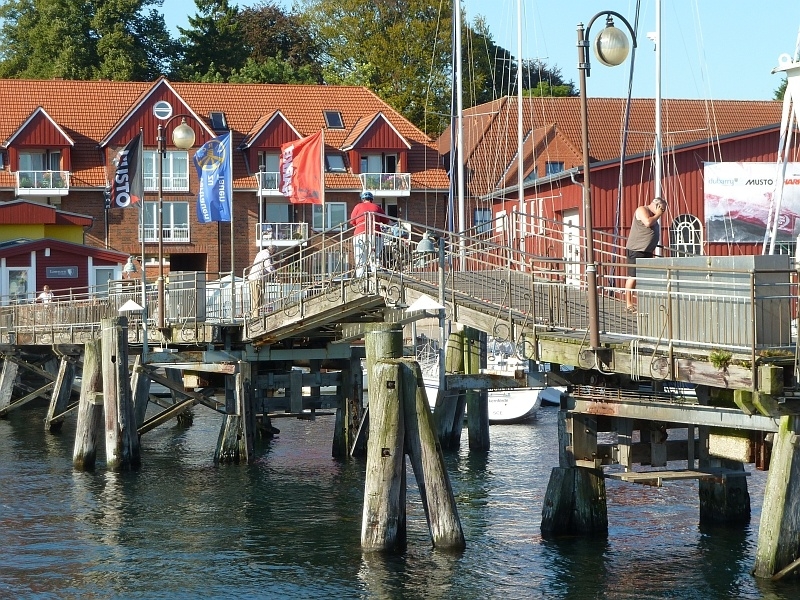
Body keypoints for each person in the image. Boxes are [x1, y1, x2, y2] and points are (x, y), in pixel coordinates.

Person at [625, 197, 666, 312]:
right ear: (657, 206)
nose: (662, 213)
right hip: (636, 249)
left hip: (647, 250)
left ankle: (642, 302)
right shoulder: (642, 209)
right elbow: (648, 222)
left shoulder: (654, 215)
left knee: (643, 278)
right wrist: (658, 214)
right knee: (633, 277)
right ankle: (628, 304)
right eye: (662, 210)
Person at [350, 191, 388, 276]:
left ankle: (360, 279)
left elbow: (352, 221)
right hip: (375, 234)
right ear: (372, 200)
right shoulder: (377, 207)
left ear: (363, 199)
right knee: (374, 257)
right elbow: (386, 220)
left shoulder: (358, 206)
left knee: (360, 258)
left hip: (360, 234)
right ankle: (376, 276)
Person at [248, 245, 276, 314]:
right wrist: (274, 272)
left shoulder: (262, 253)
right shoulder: (266, 254)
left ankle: (257, 315)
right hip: (257, 278)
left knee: (259, 299)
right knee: (257, 299)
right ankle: (255, 316)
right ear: (272, 250)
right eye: (274, 252)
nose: (274, 254)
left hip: (258, 278)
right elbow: (268, 266)